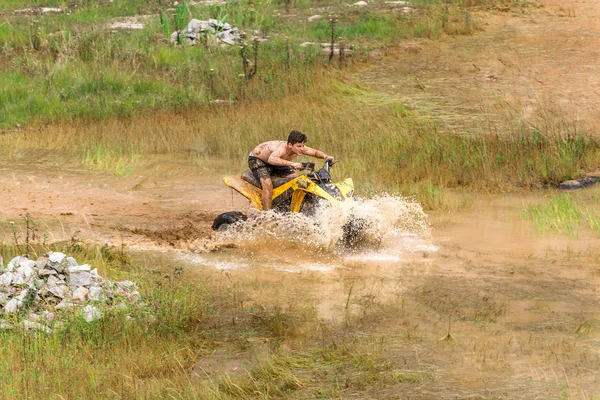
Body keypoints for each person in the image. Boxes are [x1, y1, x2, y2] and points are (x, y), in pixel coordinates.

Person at [248, 130, 334, 210]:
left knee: (297, 180)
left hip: (278, 161)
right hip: (258, 159)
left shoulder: (300, 148)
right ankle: (266, 214)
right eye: (299, 146)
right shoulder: (281, 149)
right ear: (290, 145)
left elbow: (315, 152)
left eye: (303, 146)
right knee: (267, 184)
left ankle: (287, 206)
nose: (302, 148)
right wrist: (293, 164)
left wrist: (326, 156)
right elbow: (271, 159)